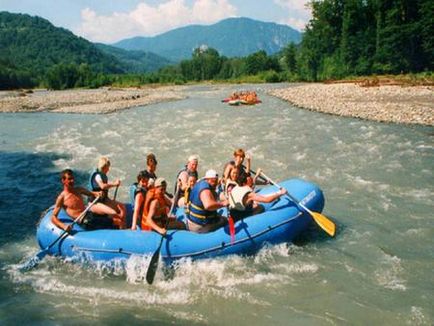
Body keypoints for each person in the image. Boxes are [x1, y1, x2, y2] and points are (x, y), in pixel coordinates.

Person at [90, 156, 127, 229]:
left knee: (122, 207)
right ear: (104, 167)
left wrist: (114, 183)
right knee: (113, 212)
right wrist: (114, 184)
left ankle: (123, 227)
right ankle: (116, 226)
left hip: (104, 199)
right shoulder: (97, 176)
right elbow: (102, 186)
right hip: (95, 202)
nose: (108, 169)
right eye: (108, 167)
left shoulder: (103, 176)